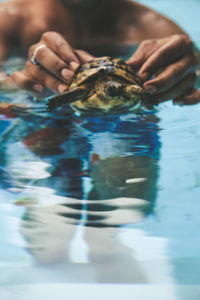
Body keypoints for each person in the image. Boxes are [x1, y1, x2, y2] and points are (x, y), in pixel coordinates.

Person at [0, 0, 199, 105]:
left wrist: (190, 76)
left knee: (125, 177)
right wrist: (17, 85)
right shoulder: (7, 19)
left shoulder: (160, 31)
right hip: (34, 115)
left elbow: (196, 79)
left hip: (122, 118)